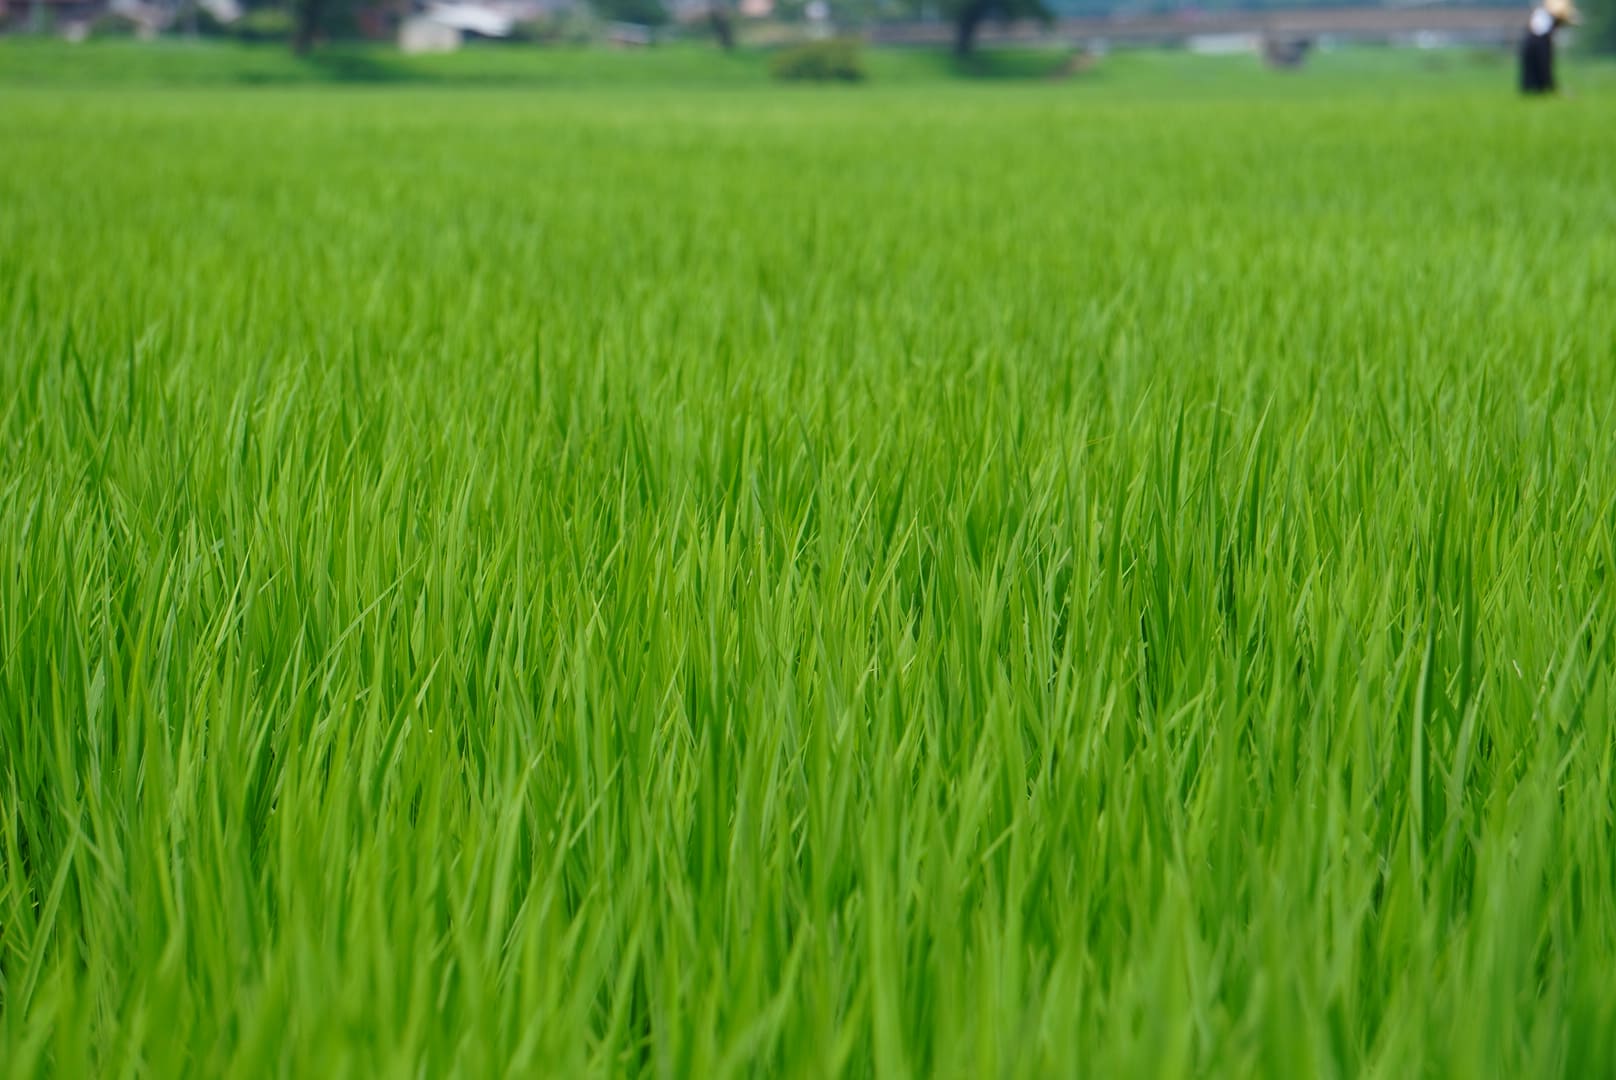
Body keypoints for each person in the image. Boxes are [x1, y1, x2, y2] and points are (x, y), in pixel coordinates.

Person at [1521, 0, 1580, 95]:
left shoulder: (1542, 13)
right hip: (1539, 41)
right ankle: (1546, 89)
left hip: (1533, 41)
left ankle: (1541, 89)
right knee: (1543, 67)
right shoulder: (1547, 16)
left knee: (1536, 69)